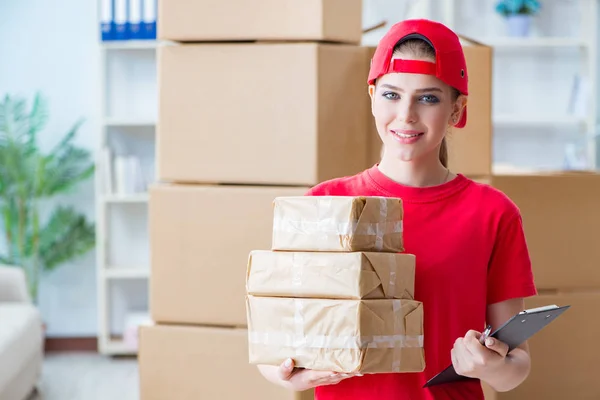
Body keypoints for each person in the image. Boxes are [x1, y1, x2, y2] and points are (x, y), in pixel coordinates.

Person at [257, 18, 537, 400]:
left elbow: (516, 366)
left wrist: (491, 366)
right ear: (372, 96)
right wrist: (286, 372)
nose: (406, 115)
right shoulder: (324, 204)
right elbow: (273, 342)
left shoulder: (492, 213)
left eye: (428, 98)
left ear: (457, 110)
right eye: (391, 95)